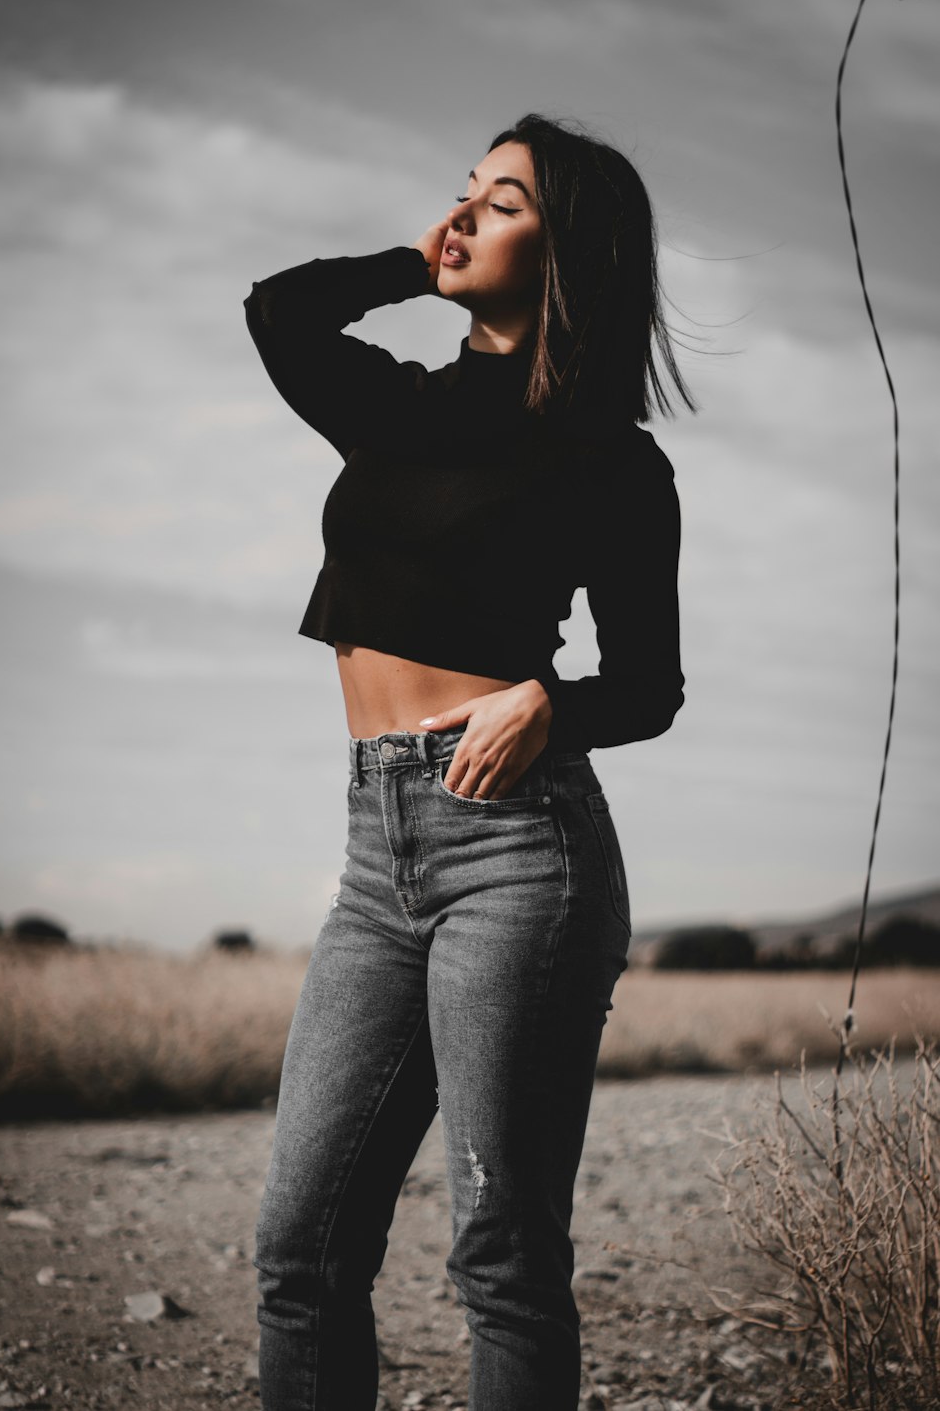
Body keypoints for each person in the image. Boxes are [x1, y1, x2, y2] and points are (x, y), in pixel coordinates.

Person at [243, 111, 694, 1411]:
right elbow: (278, 314)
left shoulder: (612, 462)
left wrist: (549, 703)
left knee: (500, 1257)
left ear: (572, 250)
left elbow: (649, 687)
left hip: (515, 848)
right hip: (374, 855)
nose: (466, 213)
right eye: (468, 192)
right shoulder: (400, 405)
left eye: (502, 201)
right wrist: (407, 256)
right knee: (301, 1247)